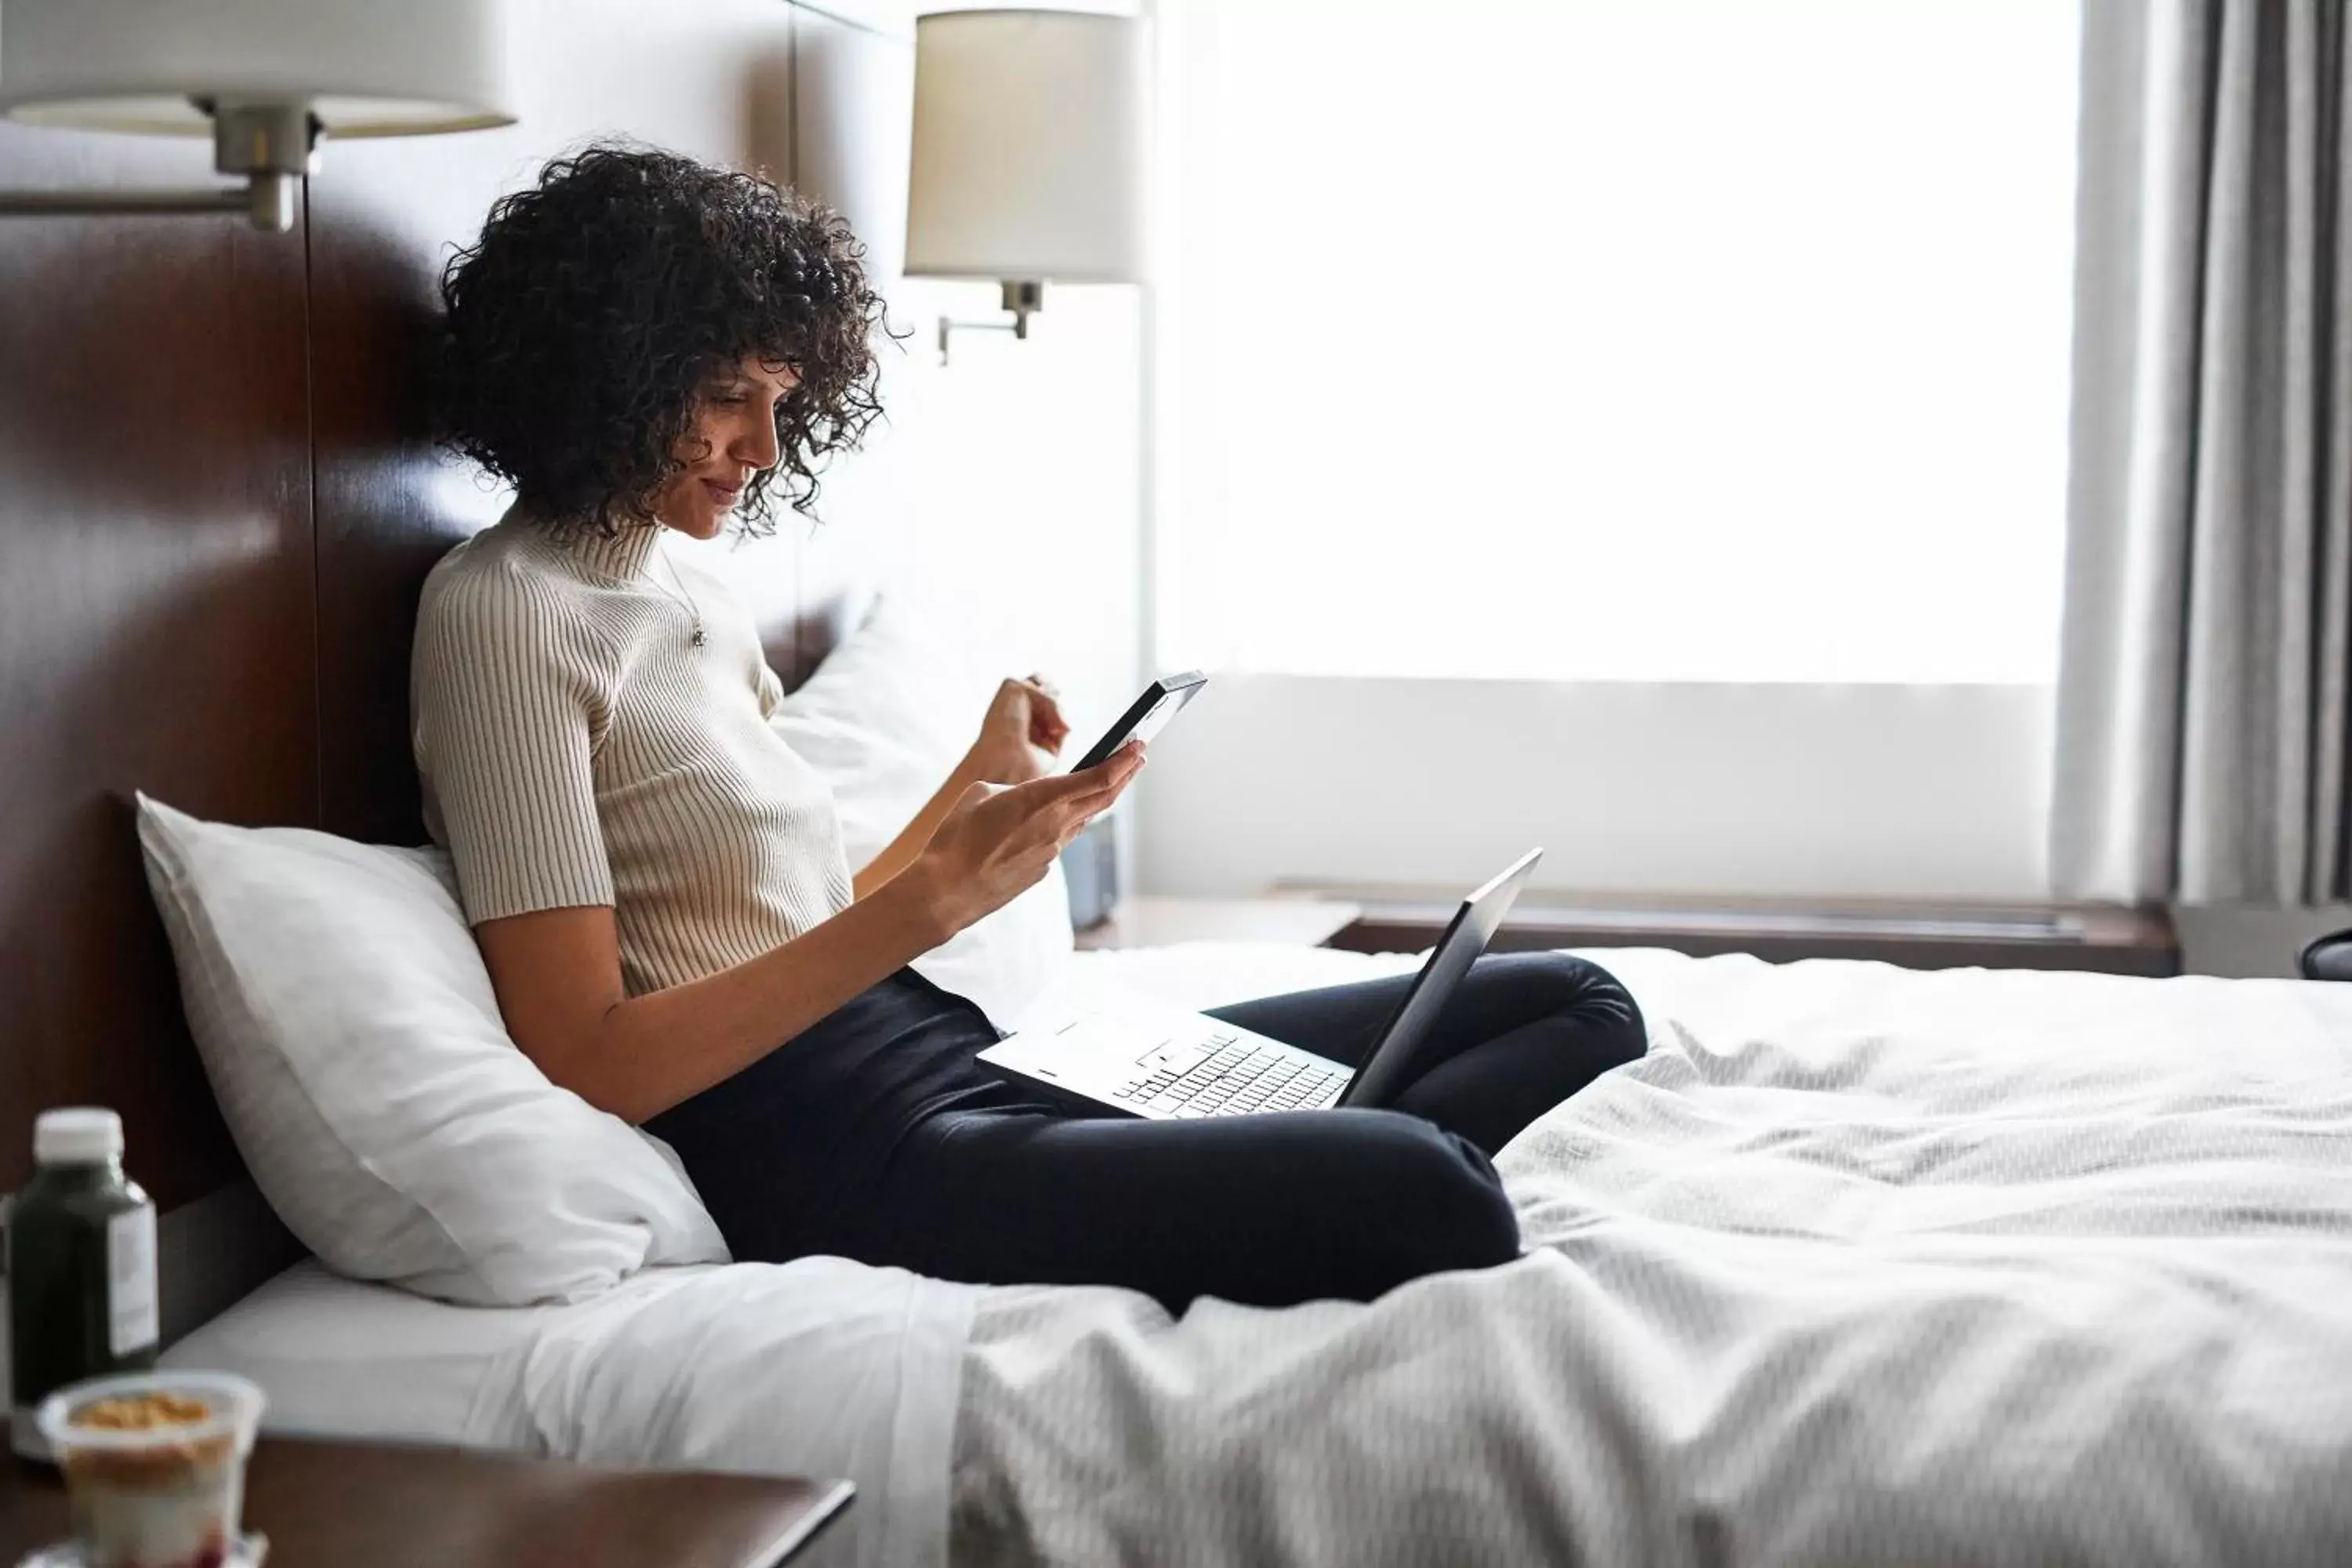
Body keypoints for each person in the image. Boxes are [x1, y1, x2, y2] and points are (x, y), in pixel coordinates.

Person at [413, 143, 1646, 1312]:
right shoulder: (504, 616)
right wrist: (927, 909)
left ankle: (1313, 1145)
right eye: (728, 398)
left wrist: (977, 792)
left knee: (1585, 1002)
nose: (765, 448)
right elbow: (586, 1058)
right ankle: (1336, 1150)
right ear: (606, 369)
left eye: (783, 400)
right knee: (1437, 1192)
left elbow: (784, 922)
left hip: (966, 1059)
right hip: (850, 1150)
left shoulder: (688, 587)